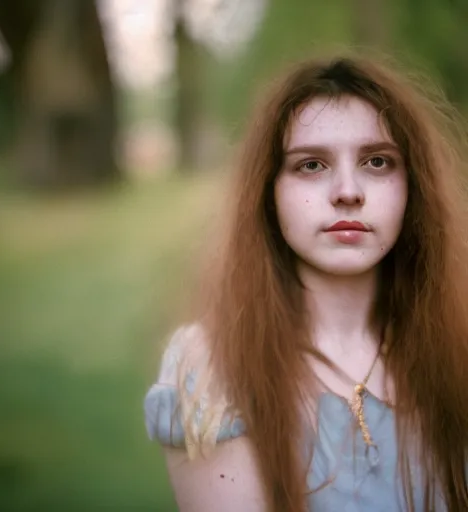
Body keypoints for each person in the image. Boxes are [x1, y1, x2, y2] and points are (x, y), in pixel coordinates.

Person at [143, 52, 468, 511]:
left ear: (413, 188)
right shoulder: (215, 370)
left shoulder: (456, 344)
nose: (348, 191)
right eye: (311, 165)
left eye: (377, 162)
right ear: (269, 193)